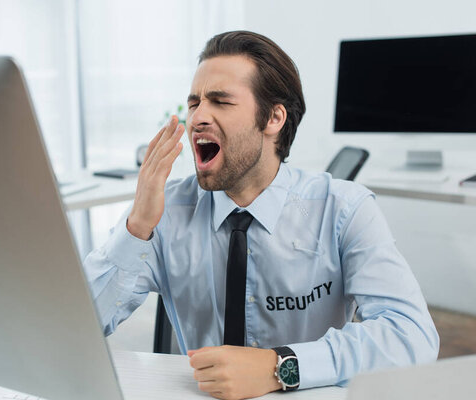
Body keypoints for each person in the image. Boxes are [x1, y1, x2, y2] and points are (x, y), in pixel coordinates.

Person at [84, 30, 439, 399]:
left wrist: (280, 365)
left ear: (273, 118)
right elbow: (76, 325)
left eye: (220, 102)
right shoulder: (163, 211)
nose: (197, 118)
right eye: (194, 104)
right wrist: (136, 228)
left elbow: (410, 334)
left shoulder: (343, 209)